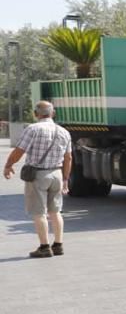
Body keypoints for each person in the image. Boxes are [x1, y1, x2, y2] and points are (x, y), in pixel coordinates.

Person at [3, 101, 73, 258]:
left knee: (39, 212)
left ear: (36, 114)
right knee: (56, 211)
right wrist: (66, 179)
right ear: (53, 113)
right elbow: (68, 157)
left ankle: (44, 247)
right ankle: (58, 245)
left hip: (38, 175)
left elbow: (19, 151)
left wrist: (8, 165)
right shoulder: (64, 132)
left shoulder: (33, 129)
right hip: (57, 174)